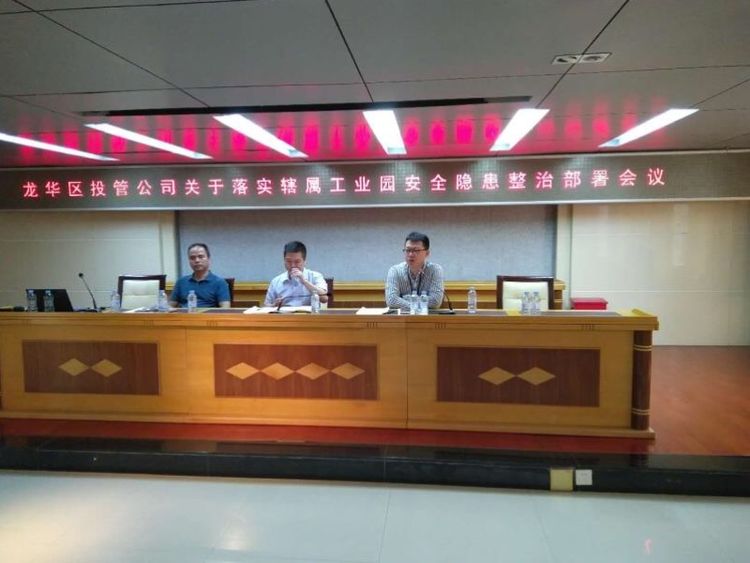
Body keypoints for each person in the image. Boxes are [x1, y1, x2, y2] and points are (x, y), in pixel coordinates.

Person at [385, 231, 445, 310]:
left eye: (416, 250)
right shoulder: (395, 271)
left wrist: (405, 299)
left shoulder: (435, 270)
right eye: (408, 250)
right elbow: (391, 300)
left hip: (427, 316)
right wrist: (418, 303)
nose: (410, 254)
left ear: (427, 253)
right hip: (402, 317)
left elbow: (435, 301)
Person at [264, 241, 328, 307]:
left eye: (297, 262)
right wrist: (274, 305)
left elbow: (324, 299)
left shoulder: (315, 276)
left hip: (309, 313)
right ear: (284, 261)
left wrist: (304, 281)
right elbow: (266, 305)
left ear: (304, 261)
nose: (293, 265)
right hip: (285, 313)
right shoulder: (276, 281)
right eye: (289, 261)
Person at [170, 243, 231, 308]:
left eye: (201, 257)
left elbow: (225, 308)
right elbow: (170, 306)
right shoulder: (181, 282)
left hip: (208, 314)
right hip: (184, 314)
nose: (197, 260)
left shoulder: (220, 283)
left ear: (208, 259)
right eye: (192, 258)